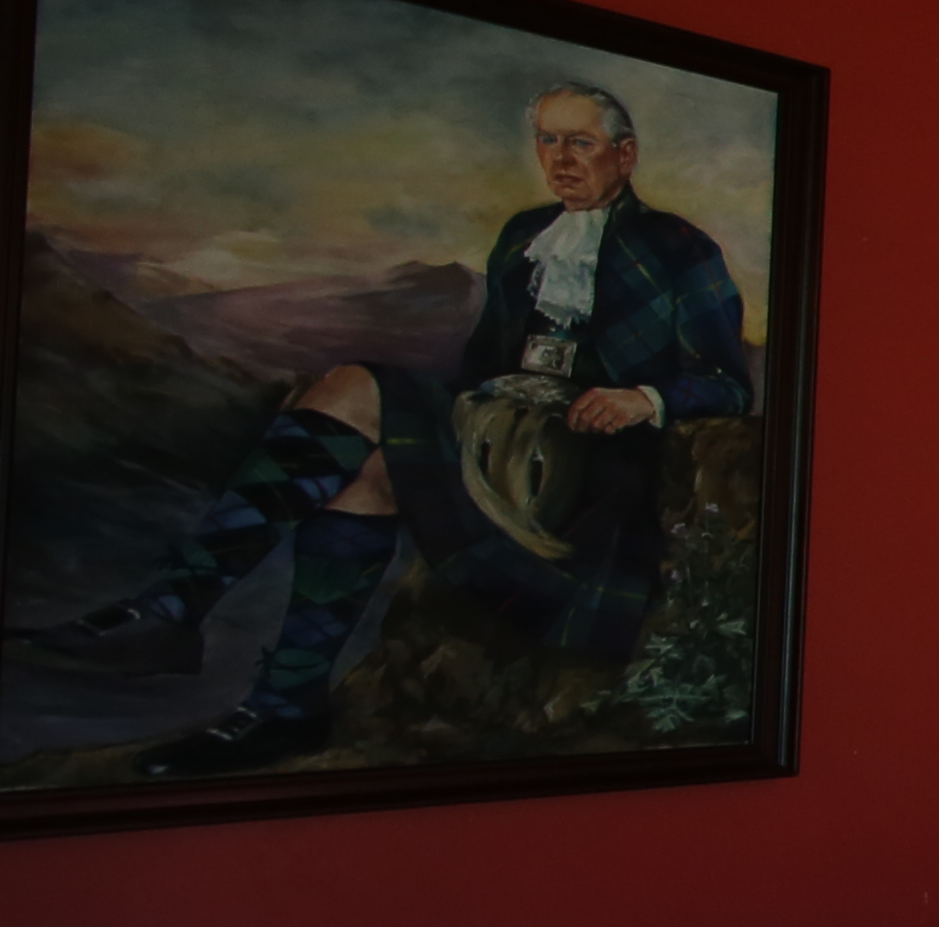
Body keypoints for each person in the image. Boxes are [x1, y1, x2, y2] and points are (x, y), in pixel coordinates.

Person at [58, 83, 754, 775]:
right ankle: (282, 703)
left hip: (593, 477)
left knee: (355, 386)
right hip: (496, 438)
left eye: (581, 142)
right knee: (364, 459)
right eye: (548, 140)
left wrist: (644, 397)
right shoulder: (524, 237)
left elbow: (727, 382)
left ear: (624, 155)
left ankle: (184, 612)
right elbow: (481, 365)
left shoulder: (678, 248)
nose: (561, 159)